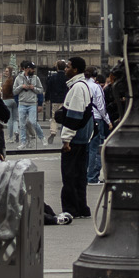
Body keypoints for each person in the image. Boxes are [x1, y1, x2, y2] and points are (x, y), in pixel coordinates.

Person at [55, 56, 93, 219]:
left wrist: (66, 140)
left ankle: (71, 208)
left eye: (68, 66)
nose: (65, 69)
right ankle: (81, 207)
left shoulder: (77, 88)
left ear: (76, 69)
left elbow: (74, 116)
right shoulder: (83, 85)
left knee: (69, 175)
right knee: (79, 175)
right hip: (82, 138)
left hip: (75, 139)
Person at [13, 62, 44, 146]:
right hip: (22, 102)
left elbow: (41, 90)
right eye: (31, 68)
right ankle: (23, 142)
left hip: (32, 103)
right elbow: (14, 91)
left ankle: (41, 137)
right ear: (26, 69)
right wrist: (21, 87)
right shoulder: (18, 78)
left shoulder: (35, 78)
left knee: (32, 121)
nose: (33, 70)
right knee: (22, 124)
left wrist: (33, 88)